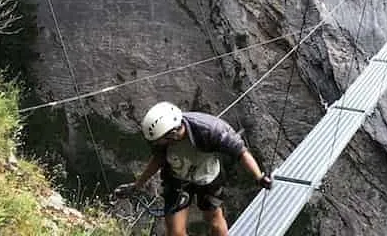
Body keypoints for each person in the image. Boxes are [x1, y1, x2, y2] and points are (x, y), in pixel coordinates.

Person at [113, 101, 273, 236]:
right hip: (177, 179)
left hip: (208, 178)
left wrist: (258, 177)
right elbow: (158, 160)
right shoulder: (162, 138)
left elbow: (241, 152)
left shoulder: (211, 130)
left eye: (158, 141)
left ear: (173, 134)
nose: (155, 144)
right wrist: (136, 186)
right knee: (175, 232)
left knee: (214, 220)